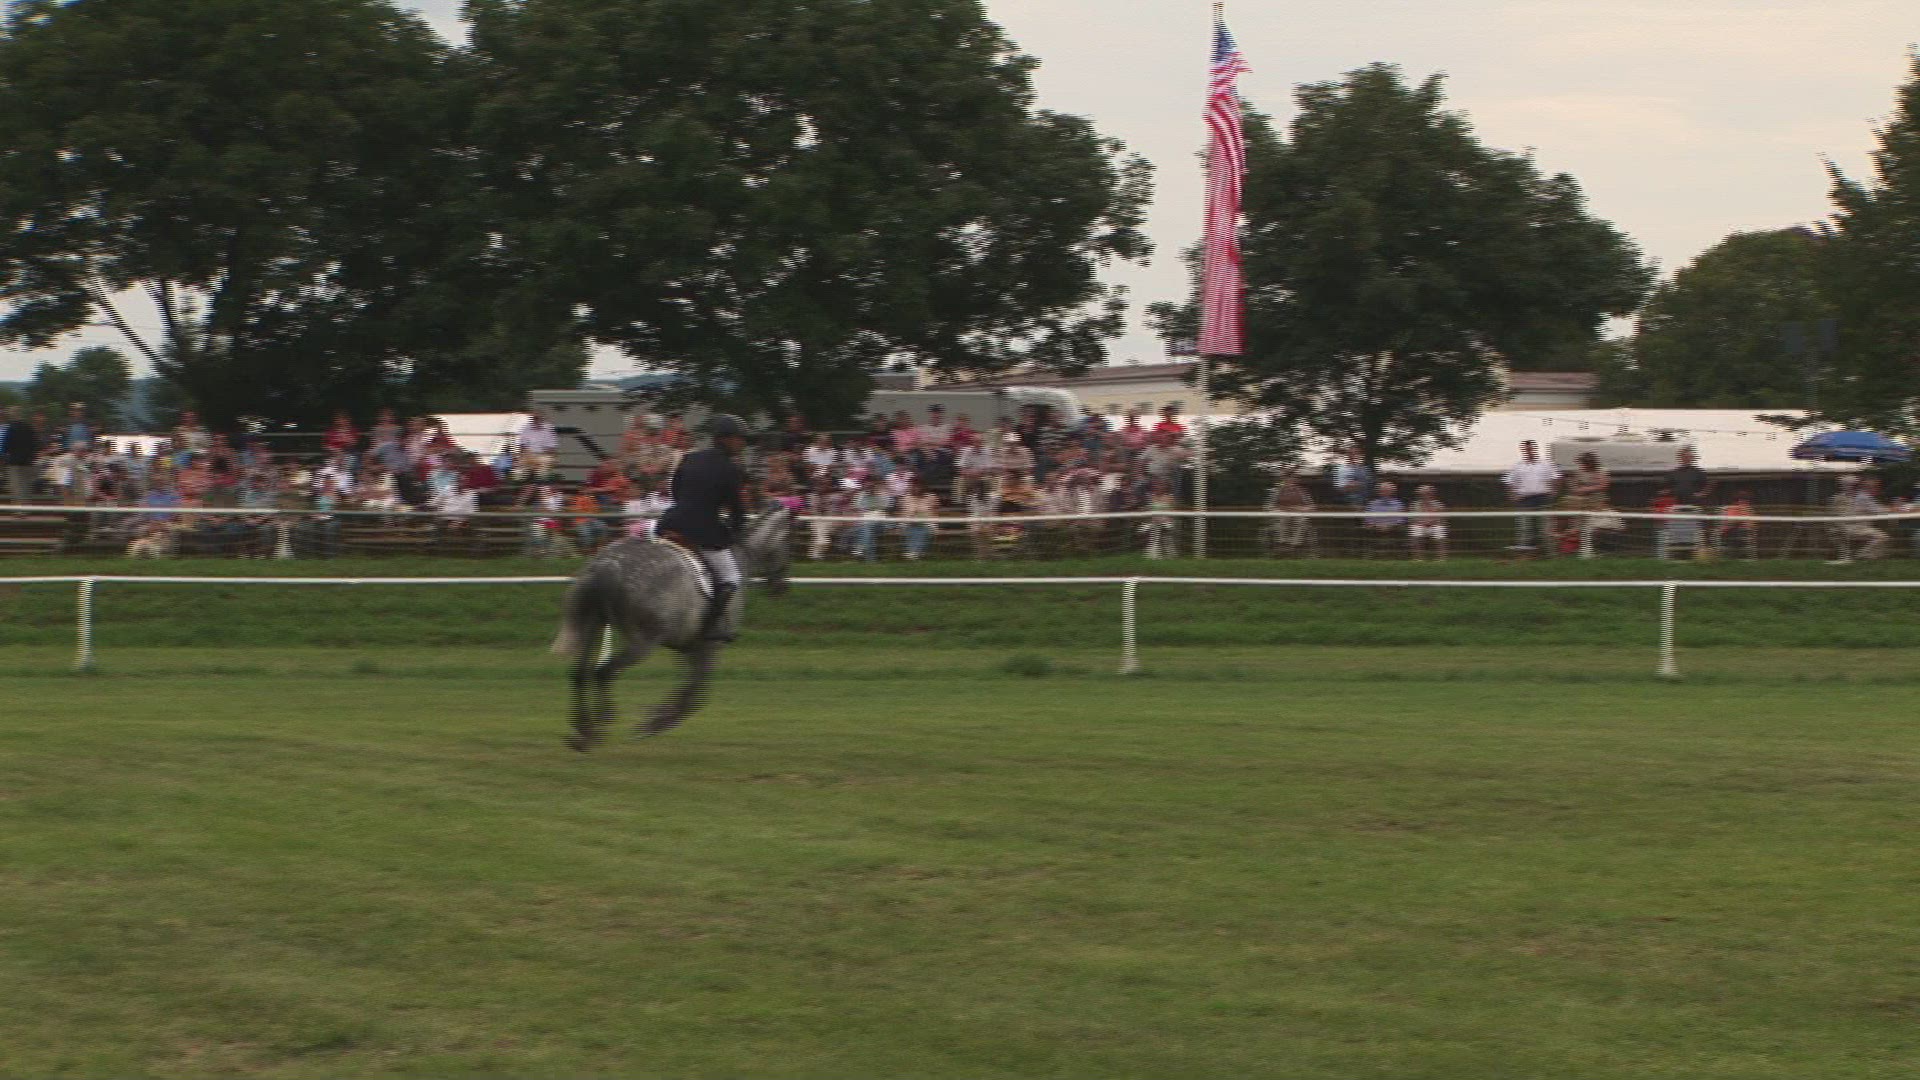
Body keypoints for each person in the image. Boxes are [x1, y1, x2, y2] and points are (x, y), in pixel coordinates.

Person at [656, 414, 752, 641]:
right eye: (740, 438)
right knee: (730, 577)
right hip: (703, 531)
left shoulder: (689, 458)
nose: (743, 443)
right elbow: (736, 508)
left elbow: (676, 490)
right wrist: (735, 530)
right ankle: (710, 627)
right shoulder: (731, 469)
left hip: (669, 523)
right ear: (726, 439)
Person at [1502, 440, 1559, 553]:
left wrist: (1554, 492)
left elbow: (1556, 478)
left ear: (1535, 449)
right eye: (1526, 449)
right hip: (1525, 500)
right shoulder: (1517, 466)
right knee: (1524, 526)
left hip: (1543, 498)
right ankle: (1524, 552)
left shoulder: (1546, 464)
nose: (1528, 451)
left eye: (1530, 449)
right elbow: (1509, 481)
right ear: (1523, 451)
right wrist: (1512, 495)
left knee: (1545, 526)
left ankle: (1549, 551)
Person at [1, 405, 40, 506]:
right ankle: (27, 507)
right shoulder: (29, 427)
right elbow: (35, 444)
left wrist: (5, 456)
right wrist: (32, 456)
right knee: (26, 487)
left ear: (11, 415)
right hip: (28, 462)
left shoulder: (10, 428)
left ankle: (18, 510)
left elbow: (6, 446)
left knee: (16, 487)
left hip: (14, 462)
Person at [1409, 484, 1448, 561]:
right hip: (1420, 526)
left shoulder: (1439, 505)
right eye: (1423, 494)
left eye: (1428, 493)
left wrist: (1432, 522)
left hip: (1434, 526)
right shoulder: (1414, 505)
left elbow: (1441, 518)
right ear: (1419, 495)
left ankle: (1441, 558)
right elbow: (1413, 519)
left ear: (1432, 494)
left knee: (1440, 530)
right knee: (1414, 530)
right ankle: (1418, 558)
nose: (1426, 495)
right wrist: (1422, 523)